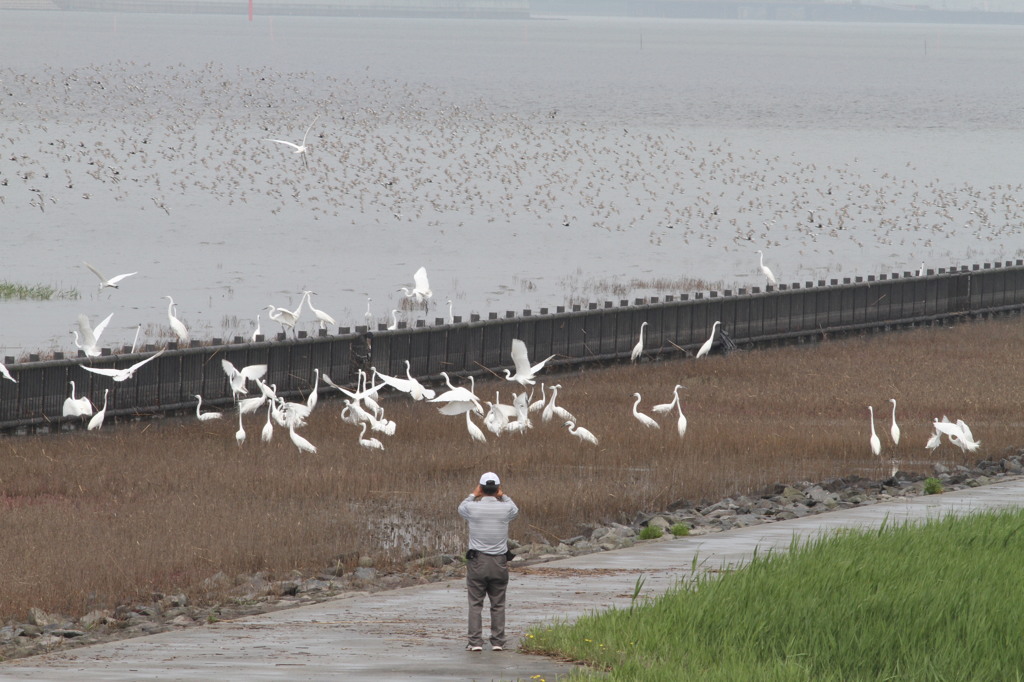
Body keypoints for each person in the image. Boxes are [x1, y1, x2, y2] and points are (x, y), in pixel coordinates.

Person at [457, 471, 519, 652]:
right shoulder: (506, 508)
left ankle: (475, 642)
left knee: (475, 603)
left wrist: (473, 494)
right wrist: (504, 496)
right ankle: (498, 641)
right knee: (498, 603)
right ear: (498, 488)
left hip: (478, 561)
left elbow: (461, 507)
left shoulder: (471, 508)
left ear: (481, 488)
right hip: (499, 562)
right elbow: (515, 509)